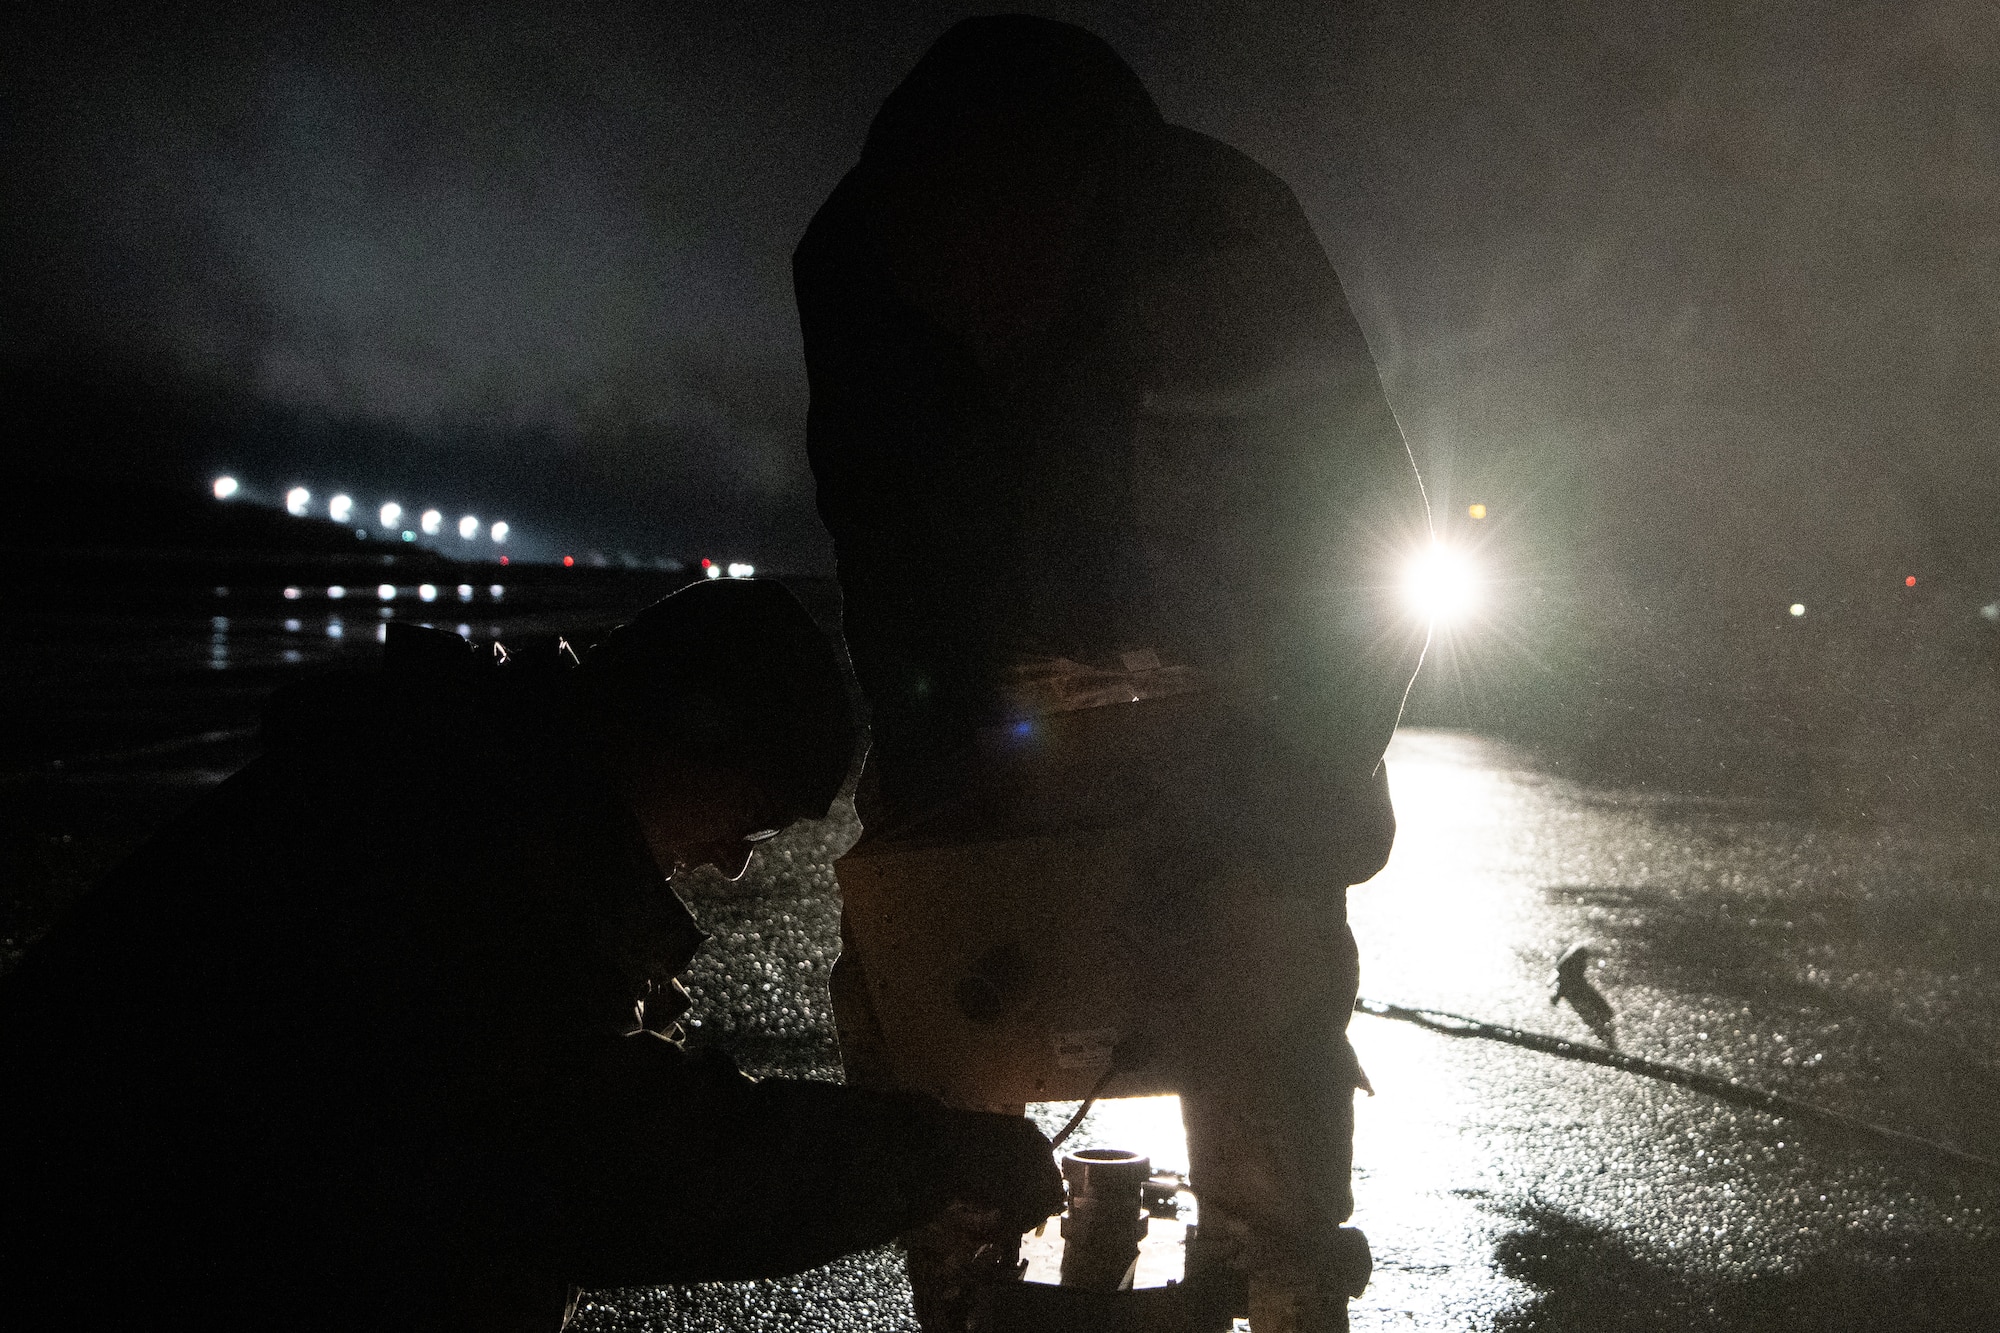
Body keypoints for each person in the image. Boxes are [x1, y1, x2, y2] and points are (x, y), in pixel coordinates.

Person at [795, 17, 1431, 1332]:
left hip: (1236, 710)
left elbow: (1363, 564)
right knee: (911, 986)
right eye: (940, 282)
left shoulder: (1225, 244)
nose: (976, 316)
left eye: (1002, 264)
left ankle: (1283, 1281)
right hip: (1000, 715)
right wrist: (939, 801)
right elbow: (888, 572)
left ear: (1079, 203)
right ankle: (963, 1279)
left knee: (1259, 990)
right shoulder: (854, 273)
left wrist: (1262, 806)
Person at [0, 579, 1064, 1333]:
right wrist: (934, 1155)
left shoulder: (460, 790)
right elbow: (607, 1156)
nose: (735, 863)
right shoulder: (434, 844)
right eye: (751, 813)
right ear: (688, 737)